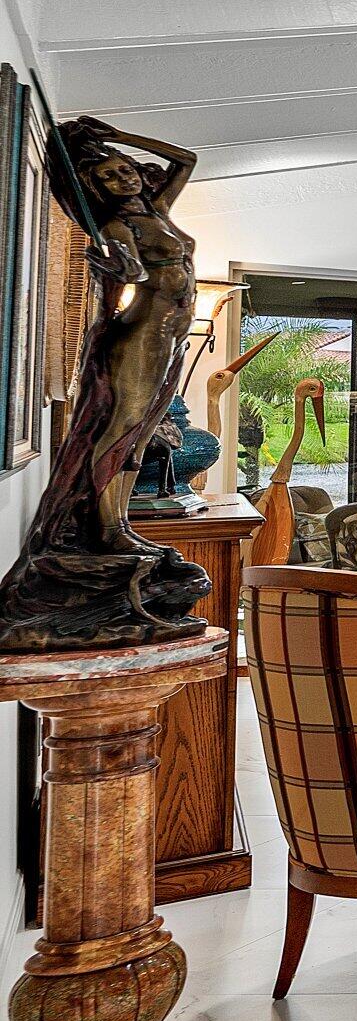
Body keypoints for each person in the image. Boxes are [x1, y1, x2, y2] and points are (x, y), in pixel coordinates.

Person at [0, 117, 215, 649]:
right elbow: (133, 278)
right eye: (111, 177)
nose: (125, 180)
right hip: (141, 335)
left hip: (172, 339)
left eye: (127, 172)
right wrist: (118, 265)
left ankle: (118, 521)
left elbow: (184, 160)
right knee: (118, 432)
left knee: (141, 437)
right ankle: (105, 527)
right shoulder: (119, 229)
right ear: (97, 188)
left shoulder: (159, 211)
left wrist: (119, 136)